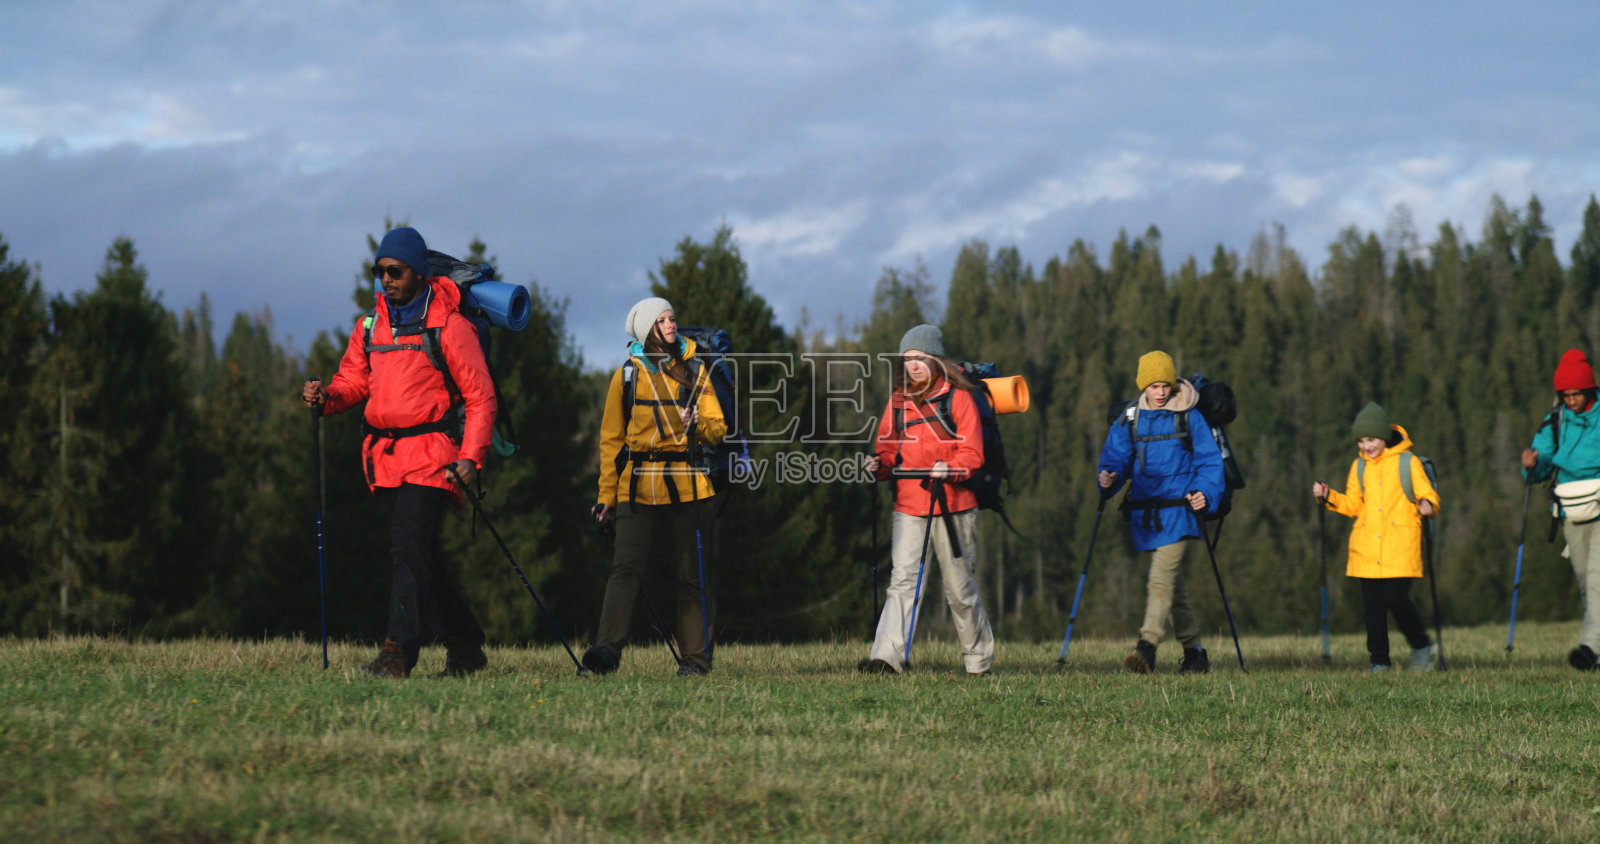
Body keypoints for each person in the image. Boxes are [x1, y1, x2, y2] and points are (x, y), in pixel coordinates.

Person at [301, 226, 496, 678]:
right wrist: (326, 396)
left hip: (434, 457)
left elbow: (481, 397)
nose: (386, 280)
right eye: (380, 271)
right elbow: (354, 382)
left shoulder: (451, 325)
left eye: (396, 271)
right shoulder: (370, 326)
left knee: (407, 549)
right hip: (386, 459)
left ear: (418, 272)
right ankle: (465, 644)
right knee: (419, 553)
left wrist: (471, 457)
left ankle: (397, 653)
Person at [586, 297, 726, 677]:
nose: (670, 324)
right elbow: (611, 441)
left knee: (691, 576)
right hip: (635, 488)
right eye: (661, 320)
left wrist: (696, 422)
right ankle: (605, 653)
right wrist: (606, 497)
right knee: (624, 569)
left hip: (689, 486)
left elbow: (718, 429)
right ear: (647, 330)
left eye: (672, 317)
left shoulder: (695, 371)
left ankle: (695, 660)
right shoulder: (625, 376)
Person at [858, 324, 996, 676]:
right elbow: (887, 450)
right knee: (902, 582)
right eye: (907, 359)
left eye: (920, 358)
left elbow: (973, 454)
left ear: (935, 359)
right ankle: (887, 659)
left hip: (955, 507)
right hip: (909, 506)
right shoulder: (898, 401)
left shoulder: (959, 397)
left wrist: (947, 468)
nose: (913, 365)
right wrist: (878, 464)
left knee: (960, 586)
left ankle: (979, 662)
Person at [1097, 350, 1224, 675]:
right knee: (1172, 587)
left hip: (1181, 512)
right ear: (1144, 386)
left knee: (1160, 579)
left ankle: (1147, 646)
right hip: (1147, 515)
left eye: (1165, 384)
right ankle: (1195, 654)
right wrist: (1109, 478)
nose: (1160, 392)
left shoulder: (1188, 414)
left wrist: (1204, 493)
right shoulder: (1130, 417)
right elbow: (1117, 457)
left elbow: (1209, 462)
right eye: (1153, 386)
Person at [1313, 402, 1439, 673]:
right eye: (1360, 440)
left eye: (1370, 439)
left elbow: (1428, 493)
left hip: (1401, 547)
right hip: (1367, 549)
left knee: (1396, 599)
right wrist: (1329, 497)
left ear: (1383, 435)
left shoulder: (1409, 462)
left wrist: (1428, 504)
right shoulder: (1359, 466)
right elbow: (1353, 505)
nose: (1365, 445)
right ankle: (1379, 660)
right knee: (1372, 609)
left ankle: (1421, 646)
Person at [1521, 348, 1600, 671]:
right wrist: (1531, 465)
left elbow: (1581, 462)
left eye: (1575, 394)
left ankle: (1591, 649)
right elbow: (1539, 466)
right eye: (1565, 394)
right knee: (1585, 580)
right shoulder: (1555, 419)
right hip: (1571, 511)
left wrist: (1558, 461)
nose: (1571, 400)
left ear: (1588, 389)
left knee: (1597, 578)